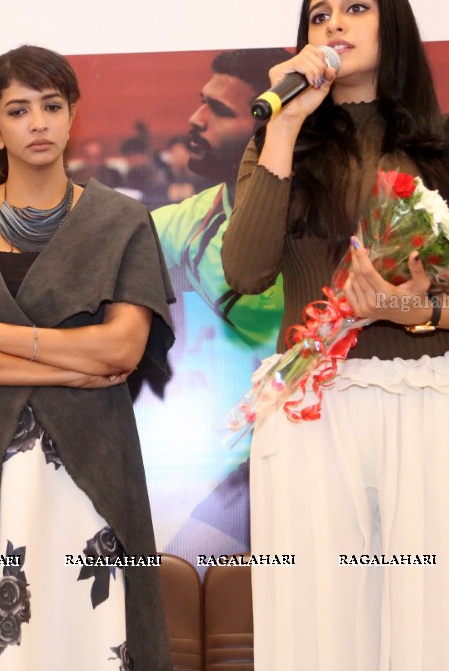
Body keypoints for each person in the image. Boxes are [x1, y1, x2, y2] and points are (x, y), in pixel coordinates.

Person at [221, 0, 449, 669]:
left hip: (439, 406)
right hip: (311, 416)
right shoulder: (279, 141)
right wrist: (283, 126)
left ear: (394, 25)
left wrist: (415, 307)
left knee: (447, 626)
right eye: (319, 14)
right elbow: (245, 270)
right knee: (321, 630)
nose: (334, 23)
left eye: (356, 8)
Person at [0, 45, 175, 670]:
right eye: (18, 110)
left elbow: (123, 346)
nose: (37, 123)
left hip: (90, 471)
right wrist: (70, 367)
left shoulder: (121, 221)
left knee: (90, 638)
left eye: (51, 106)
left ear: (73, 116)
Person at [147, 49, 289, 562]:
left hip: (367, 440)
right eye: (201, 104)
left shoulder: (340, 213)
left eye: (220, 112)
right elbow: (79, 269)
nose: (195, 120)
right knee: (184, 577)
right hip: (275, 453)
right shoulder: (188, 225)